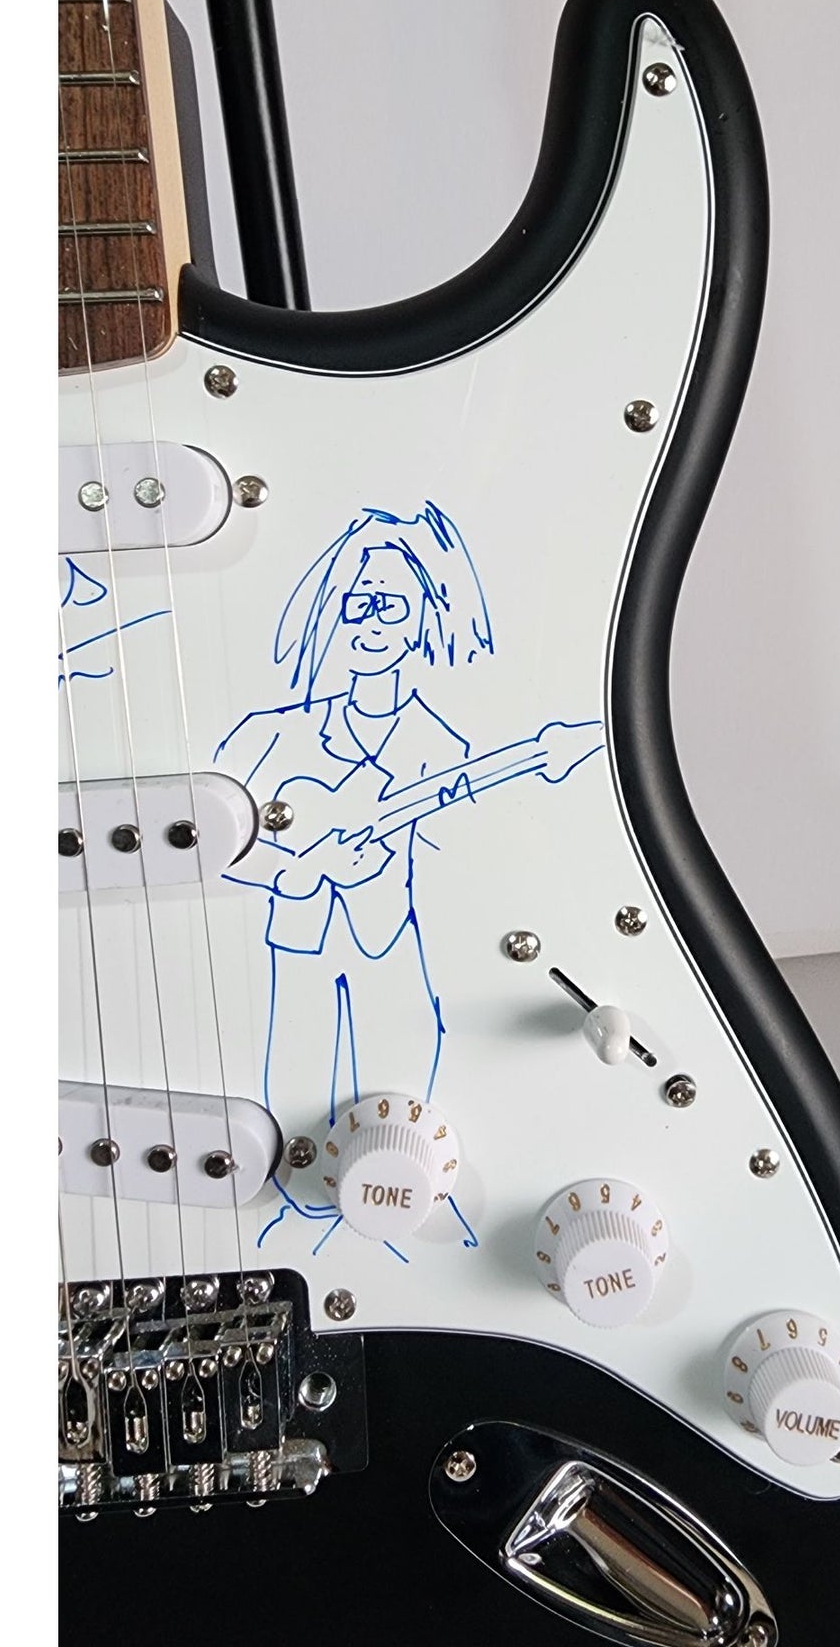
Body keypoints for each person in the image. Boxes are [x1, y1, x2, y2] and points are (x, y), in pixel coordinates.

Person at [216, 502, 598, 1255]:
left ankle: (395, 1211)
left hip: (386, 935)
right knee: (292, 1071)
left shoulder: (437, 742)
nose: (372, 623)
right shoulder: (277, 733)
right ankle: (292, 1212)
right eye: (358, 605)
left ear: (425, 617)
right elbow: (213, 843)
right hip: (298, 934)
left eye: (392, 606)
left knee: (406, 1064)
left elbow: (475, 856)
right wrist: (289, 871)